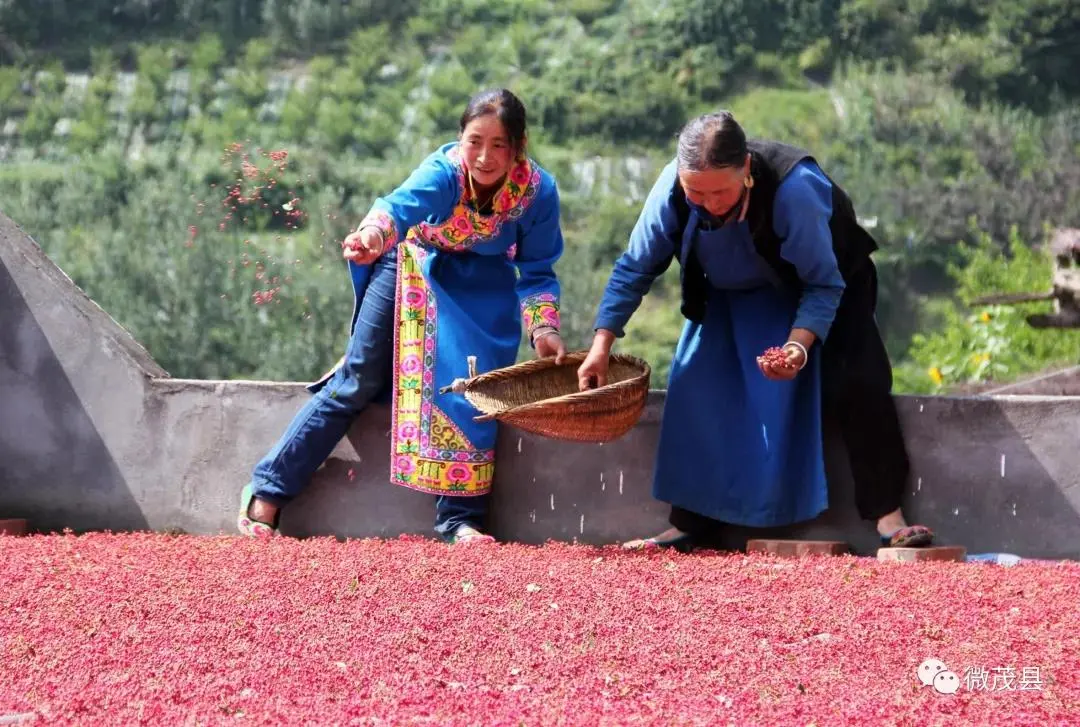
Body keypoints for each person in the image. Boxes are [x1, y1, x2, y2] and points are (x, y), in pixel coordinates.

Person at [576, 111, 933, 551]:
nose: (707, 204)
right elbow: (635, 266)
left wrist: (798, 348)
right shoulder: (672, 186)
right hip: (732, 287)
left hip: (828, 282)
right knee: (696, 382)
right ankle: (692, 521)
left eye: (719, 192)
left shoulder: (793, 190)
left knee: (856, 379)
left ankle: (887, 517)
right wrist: (601, 344)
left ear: (745, 169)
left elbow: (823, 282)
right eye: (695, 193)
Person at [237, 89, 567, 544]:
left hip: (482, 289)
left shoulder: (538, 193)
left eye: (499, 145)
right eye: (475, 141)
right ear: (460, 139)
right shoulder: (444, 172)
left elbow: (536, 269)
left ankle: (460, 520)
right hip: (411, 265)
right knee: (357, 378)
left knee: (474, 392)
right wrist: (372, 236)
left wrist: (544, 327)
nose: (485, 157)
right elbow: (396, 208)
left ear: (518, 146)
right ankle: (267, 491)